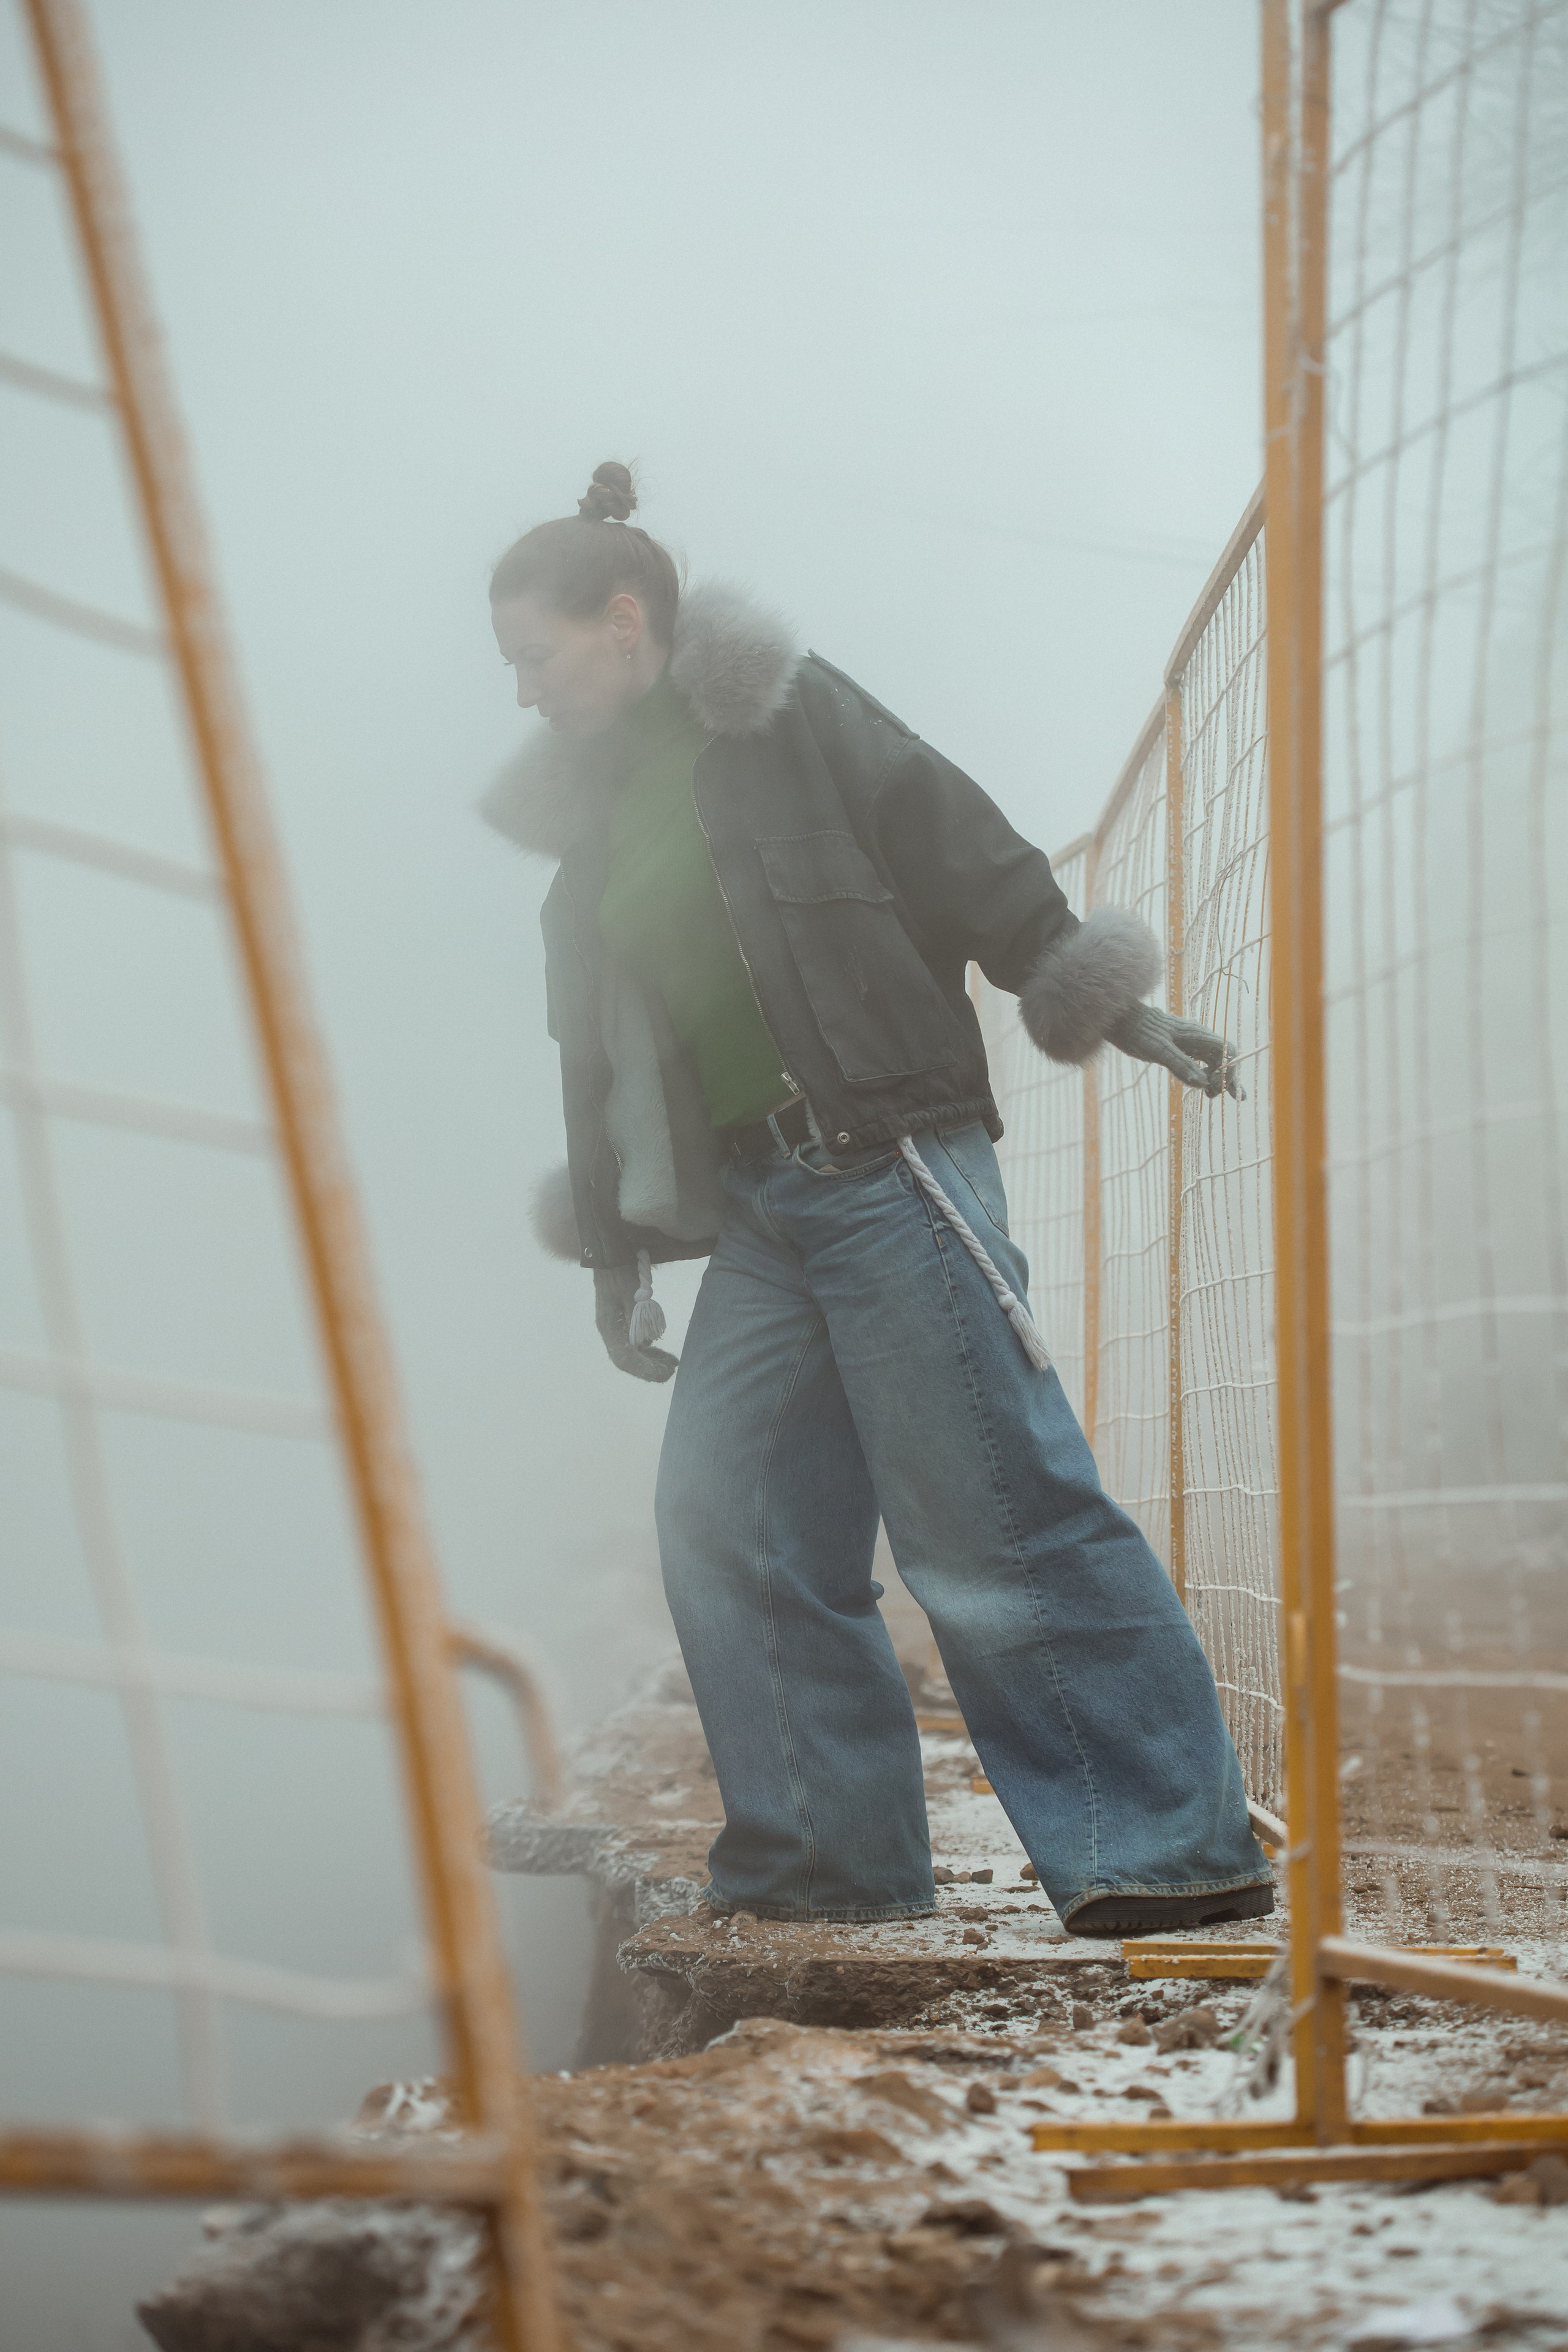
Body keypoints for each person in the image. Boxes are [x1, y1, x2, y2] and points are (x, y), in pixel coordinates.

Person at [483, 461, 1272, 1938]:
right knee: (725, 1519)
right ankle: (826, 1866)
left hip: (884, 1156)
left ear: (622, 616)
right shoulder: (588, 846)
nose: (522, 693)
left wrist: (1106, 1003)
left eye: (532, 655)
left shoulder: (774, 717)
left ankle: (1168, 1852)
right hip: (765, 1208)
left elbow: (950, 839)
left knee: (987, 1513)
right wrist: (615, 1253)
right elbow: (599, 1068)